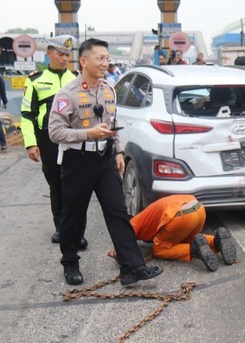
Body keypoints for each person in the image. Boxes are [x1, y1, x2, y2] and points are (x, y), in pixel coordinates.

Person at [48, 38, 162, 286]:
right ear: (83, 61)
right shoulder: (67, 94)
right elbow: (55, 133)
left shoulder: (109, 89)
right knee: (73, 215)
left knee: (117, 211)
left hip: (106, 158)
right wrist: (87, 134)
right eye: (100, 58)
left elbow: (112, 126)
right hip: (77, 160)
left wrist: (118, 152)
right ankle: (70, 262)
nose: (105, 63)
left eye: (107, 58)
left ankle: (132, 267)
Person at [20, 35, 87, 248]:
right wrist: (31, 143)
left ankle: (78, 231)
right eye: (60, 54)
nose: (64, 58)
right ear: (49, 53)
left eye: (67, 55)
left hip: (74, 139)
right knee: (56, 184)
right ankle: (61, 227)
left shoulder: (77, 78)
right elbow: (27, 115)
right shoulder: (35, 80)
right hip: (48, 140)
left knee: (77, 185)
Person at [108, 195, 237, 272]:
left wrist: (117, 250)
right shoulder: (147, 215)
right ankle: (216, 241)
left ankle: (192, 250)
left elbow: (124, 237)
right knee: (186, 239)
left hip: (180, 216)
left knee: (159, 249)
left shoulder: (133, 223)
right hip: (198, 209)